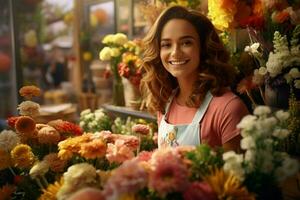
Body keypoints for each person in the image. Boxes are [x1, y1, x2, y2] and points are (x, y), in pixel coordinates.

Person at [141, 6, 249, 152]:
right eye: (166, 44)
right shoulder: (165, 104)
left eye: (186, 43)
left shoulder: (228, 109)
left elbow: (237, 174)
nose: (175, 52)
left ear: (203, 48)